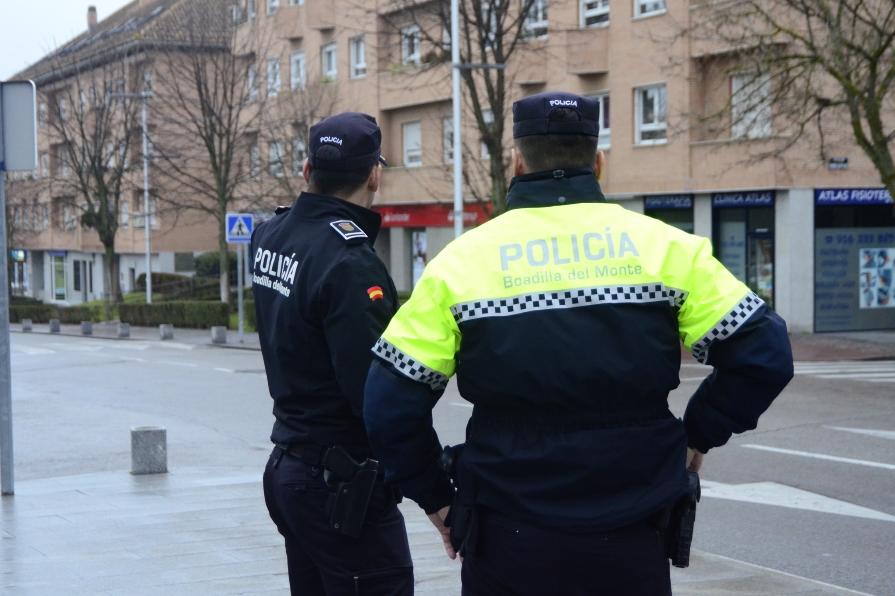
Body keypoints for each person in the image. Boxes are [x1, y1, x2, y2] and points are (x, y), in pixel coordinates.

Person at [362, 92, 794, 595]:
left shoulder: (461, 264)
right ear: (598, 161)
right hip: (635, 530)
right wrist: (697, 432)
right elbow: (764, 353)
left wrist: (435, 497)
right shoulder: (668, 249)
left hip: (508, 533)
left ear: (517, 162)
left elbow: (388, 400)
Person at [252, 112, 413, 595]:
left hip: (290, 470)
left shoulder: (268, 236)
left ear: (307, 170)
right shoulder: (349, 263)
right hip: (338, 487)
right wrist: (432, 487)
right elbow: (375, 396)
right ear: (374, 175)